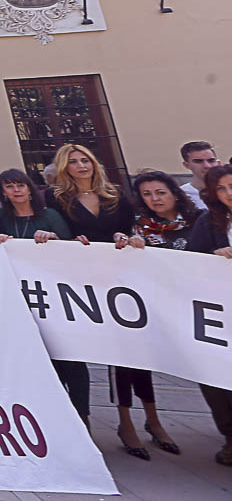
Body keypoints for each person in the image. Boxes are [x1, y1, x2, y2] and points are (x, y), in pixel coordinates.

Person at [112, 171, 196, 460]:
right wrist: (125, 243)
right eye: (147, 194)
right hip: (142, 307)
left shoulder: (198, 221)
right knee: (129, 361)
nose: (154, 199)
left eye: (159, 192)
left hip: (189, 309)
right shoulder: (137, 225)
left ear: (174, 192)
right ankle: (132, 423)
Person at [0, 169, 85, 423]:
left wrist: (53, 239)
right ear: (3, 193)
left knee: (71, 360)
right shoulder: (2, 217)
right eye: (10, 186)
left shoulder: (50, 215)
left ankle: (81, 416)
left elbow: (69, 246)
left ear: (30, 188)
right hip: (23, 298)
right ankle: (54, 417)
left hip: (55, 296)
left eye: (21, 185)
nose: (17, 190)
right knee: (40, 359)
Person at [186, 164, 232, 465]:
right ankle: (230, 436)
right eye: (222, 189)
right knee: (217, 376)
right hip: (221, 312)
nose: (230, 195)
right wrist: (212, 258)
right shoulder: (210, 221)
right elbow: (188, 262)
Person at [46, 143, 136, 247]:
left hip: (118, 253)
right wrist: (72, 240)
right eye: (72, 162)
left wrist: (123, 237)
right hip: (82, 256)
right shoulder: (56, 196)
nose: (81, 165)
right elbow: (60, 231)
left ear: (93, 164)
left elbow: (129, 228)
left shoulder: (115, 193)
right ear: (64, 167)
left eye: (85, 160)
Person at [180, 141, 218, 210]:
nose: (207, 166)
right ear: (186, 165)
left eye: (211, 160)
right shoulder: (181, 195)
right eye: (198, 161)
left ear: (218, 163)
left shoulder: (227, 192)